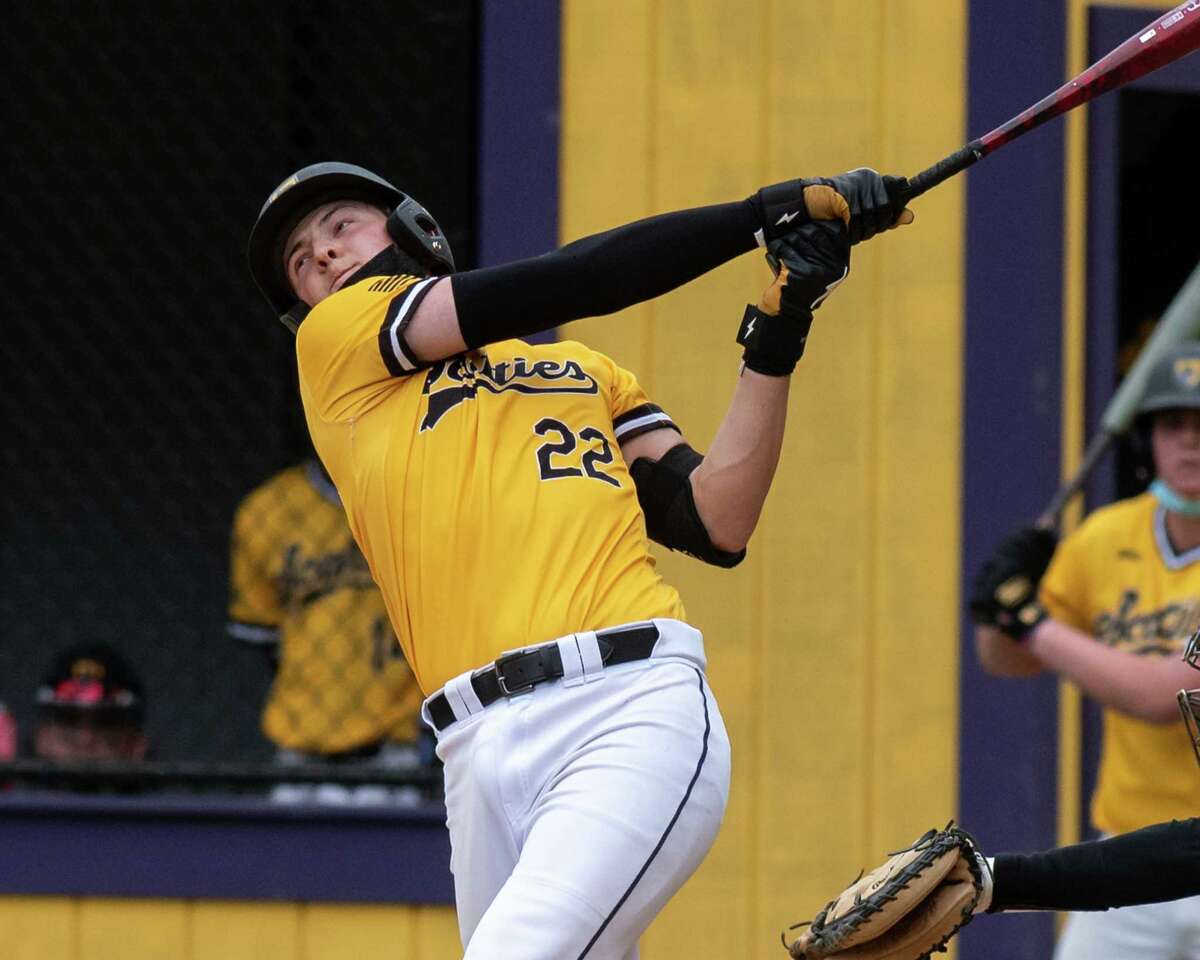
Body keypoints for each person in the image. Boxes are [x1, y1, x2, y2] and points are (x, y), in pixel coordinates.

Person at [246, 162, 909, 957]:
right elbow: (578, 278)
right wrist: (754, 218)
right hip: (472, 750)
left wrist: (780, 325)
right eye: (299, 258)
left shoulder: (582, 373)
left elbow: (716, 518)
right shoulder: (337, 343)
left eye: (341, 224)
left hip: (623, 705)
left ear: (413, 231)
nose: (320, 253)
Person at [970, 341, 1200, 959]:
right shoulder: (1105, 537)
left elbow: (1167, 694)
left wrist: (1029, 621)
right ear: (1148, 438)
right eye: (1174, 423)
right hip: (1128, 852)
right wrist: (997, 604)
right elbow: (1006, 659)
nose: (1190, 441)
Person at [227, 456, 427, 805]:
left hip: (400, 742)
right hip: (301, 746)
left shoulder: (420, 498)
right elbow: (264, 636)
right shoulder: (267, 510)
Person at [30, 643, 149, 763]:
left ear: (137, 743)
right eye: (69, 720)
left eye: (104, 721)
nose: (85, 739)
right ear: (42, 737)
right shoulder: (12, 780)